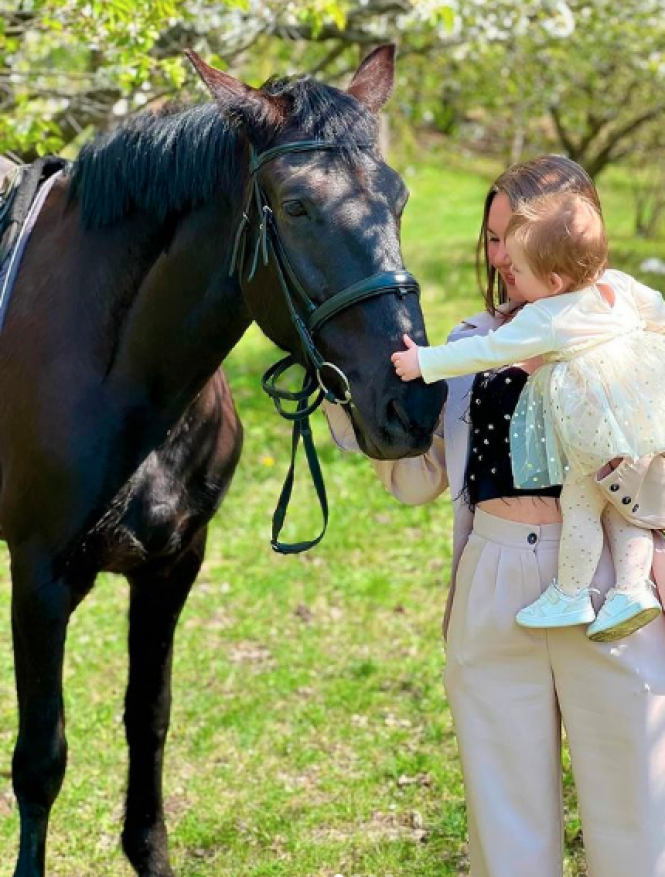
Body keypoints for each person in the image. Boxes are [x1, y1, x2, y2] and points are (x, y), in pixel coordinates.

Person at [322, 154, 665, 877]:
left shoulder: (630, 313)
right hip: (494, 577)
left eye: (513, 234)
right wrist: (340, 394)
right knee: (504, 830)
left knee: (638, 809)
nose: (500, 253)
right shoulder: (472, 338)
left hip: (607, 581)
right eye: (490, 237)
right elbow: (421, 479)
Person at [390, 190, 665, 642]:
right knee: (622, 508)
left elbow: (487, 350)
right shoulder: (619, 286)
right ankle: (633, 587)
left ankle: (572, 592)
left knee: (581, 504)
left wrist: (425, 362)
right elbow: (657, 311)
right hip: (637, 417)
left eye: (518, 267)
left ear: (553, 282)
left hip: (591, 430)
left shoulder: (548, 316)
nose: (507, 270)